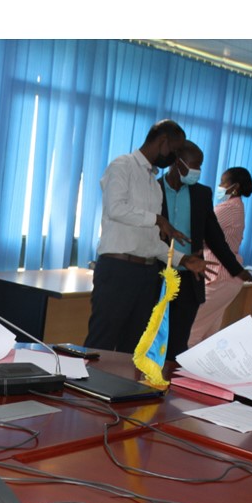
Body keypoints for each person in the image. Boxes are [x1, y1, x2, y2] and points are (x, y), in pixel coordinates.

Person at [84, 119, 189, 353]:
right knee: (101, 343)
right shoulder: (122, 166)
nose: (175, 158)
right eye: (174, 150)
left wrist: (183, 259)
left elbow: (151, 241)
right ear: (162, 141)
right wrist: (158, 219)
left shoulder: (154, 183)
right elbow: (116, 208)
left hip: (147, 274)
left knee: (132, 348)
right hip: (118, 269)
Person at [159, 142, 252, 360]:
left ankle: (182, 375)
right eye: (194, 165)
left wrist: (236, 269)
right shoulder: (156, 189)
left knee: (187, 337)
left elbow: (212, 236)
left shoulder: (212, 199)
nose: (198, 171)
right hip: (167, 274)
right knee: (203, 336)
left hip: (202, 276)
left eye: (199, 166)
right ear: (177, 162)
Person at [188, 167, 252, 346]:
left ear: (235, 187)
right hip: (225, 278)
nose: (219, 186)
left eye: (223, 182)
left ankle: (180, 364)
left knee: (190, 331)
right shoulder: (236, 206)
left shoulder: (228, 208)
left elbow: (202, 233)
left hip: (219, 276)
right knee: (208, 335)